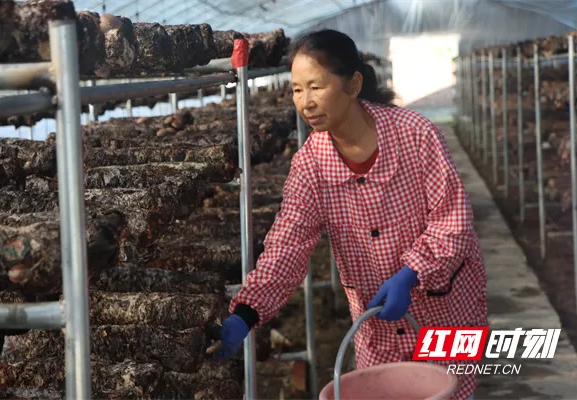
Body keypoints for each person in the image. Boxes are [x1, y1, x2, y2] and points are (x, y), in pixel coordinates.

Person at [208, 29, 488, 400]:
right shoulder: (311, 166)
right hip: (376, 324)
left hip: (446, 306)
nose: (305, 102)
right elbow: (287, 245)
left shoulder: (415, 135)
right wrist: (245, 313)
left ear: (353, 84)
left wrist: (412, 273)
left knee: (451, 392)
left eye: (316, 87)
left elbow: (453, 221)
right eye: (296, 90)